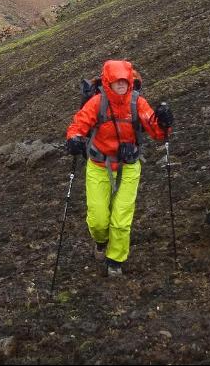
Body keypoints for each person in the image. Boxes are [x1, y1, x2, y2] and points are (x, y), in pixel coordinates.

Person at [65, 59, 174, 277]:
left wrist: (164, 122)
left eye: (125, 80)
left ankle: (115, 260)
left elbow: (158, 133)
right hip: (98, 166)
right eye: (117, 81)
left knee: (121, 218)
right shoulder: (97, 103)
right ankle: (100, 240)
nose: (122, 84)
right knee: (98, 220)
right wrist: (74, 139)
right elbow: (78, 125)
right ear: (108, 82)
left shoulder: (138, 103)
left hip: (129, 166)